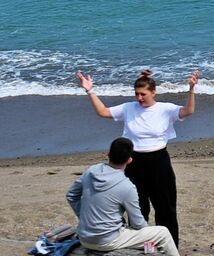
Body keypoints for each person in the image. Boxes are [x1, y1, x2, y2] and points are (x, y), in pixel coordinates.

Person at [75, 67, 198, 246]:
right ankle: (145, 248)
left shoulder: (165, 109)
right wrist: (90, 90)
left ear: (153, 92)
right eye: (136, 94)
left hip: (159, 162)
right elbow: (103, 112)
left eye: (143, 94)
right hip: (134, 163)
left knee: (166, 209)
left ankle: (170, 248)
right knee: (138, 209)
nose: (139, 98)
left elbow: (188, 111)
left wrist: (192, 89)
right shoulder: (128, 108)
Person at [65, 136, 200, 256]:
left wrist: (83, 217)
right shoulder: (127, 186)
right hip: (106, 240)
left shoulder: (91, 171)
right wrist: (147, 234)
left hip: (84, 237)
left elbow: (71, 195)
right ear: (130, 160)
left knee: (139, 234)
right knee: (163, 232)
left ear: (108, 154)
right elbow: (138, 224)